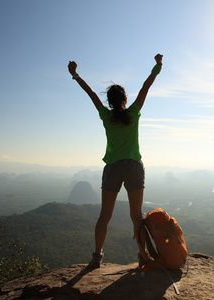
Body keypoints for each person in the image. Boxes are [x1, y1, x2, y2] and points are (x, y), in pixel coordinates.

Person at [67, 54, 163, 268]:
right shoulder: (134, 112)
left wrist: (75, 75)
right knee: (136, 216)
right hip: (133, 167)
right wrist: (157, 67)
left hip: (112, 168)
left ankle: (97, 256)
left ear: (110, 102)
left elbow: (91, 93)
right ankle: (143, 256)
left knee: (105, 216)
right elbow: (146, 87)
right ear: (125, 100)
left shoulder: (105, 116)